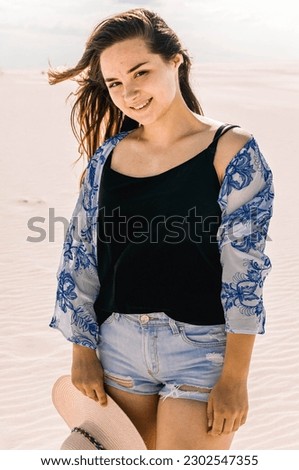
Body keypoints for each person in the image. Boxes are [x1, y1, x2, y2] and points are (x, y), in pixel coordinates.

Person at [48, 8, 274, 450]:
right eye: (115, 83)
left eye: (140, 72)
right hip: (116, 350)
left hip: (200, 353)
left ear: (175, 61)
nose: (129, 93)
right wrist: (82, 350)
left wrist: (235, 378)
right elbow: (80, 258)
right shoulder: (107, 159)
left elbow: (245, 275)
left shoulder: (231, 151)